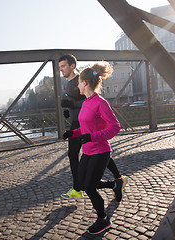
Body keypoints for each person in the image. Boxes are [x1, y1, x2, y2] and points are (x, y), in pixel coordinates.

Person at [62, 61, 122, 235]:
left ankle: (103, 220)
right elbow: (85, 128)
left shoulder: (100, 103)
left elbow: (115, 127)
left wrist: (92, 137)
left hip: (101, 151)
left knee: (89, 188)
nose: (78, 85)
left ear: (85, 83)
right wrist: (73, 133)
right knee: (81, 184)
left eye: (79, 82)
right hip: (87, 151)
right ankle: (115, 184)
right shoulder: (86, 102)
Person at [58, 54, 126, 201]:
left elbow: (88, 100)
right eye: (59, 67)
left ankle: (79, 188)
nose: (61, 70)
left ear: (72, 66)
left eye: (63, 66)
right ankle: (116, 181)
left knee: (94, 151)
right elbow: (69, 95)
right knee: (93, 151)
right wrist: (67, 108)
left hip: (86, 122)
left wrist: (72, 104)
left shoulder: (81, 80)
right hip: (78, 122)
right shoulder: (69, 83)